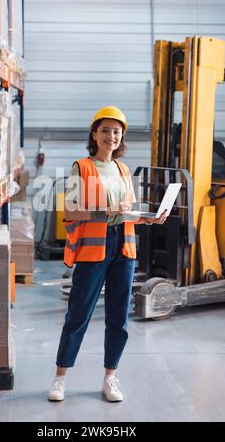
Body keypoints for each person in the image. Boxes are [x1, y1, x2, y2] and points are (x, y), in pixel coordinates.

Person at [48, 106, 167, 402]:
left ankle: (110, 377)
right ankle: (60, 378)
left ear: (122, 136)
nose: (111, 136)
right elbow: (71, 210)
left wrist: (148, 218)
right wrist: (106, 211)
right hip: (94, 249)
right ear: (94, 134)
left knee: (118, 316)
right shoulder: (82, 167)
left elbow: (127, 213)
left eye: (116, 131)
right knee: (79, 314)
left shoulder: (123, 169)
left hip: (124, 247)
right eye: (105, 130)